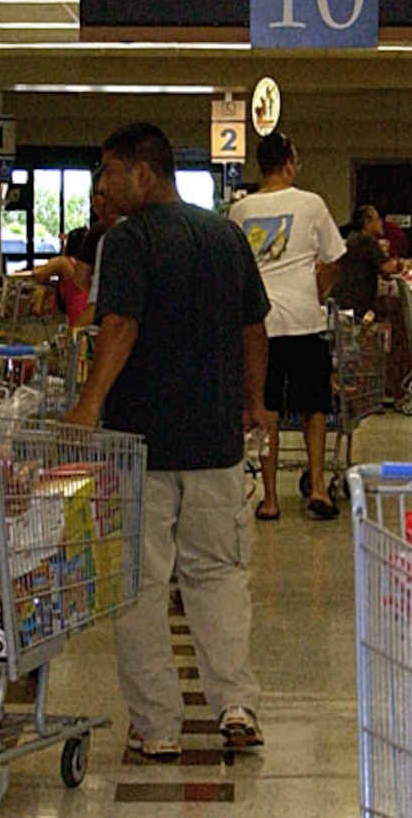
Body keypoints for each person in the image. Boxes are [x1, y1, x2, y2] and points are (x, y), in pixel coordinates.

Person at [63, 121, 268, 759]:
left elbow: (120, 323)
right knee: (219, 575)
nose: (103, 185)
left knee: (140, 585)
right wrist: (253, 402)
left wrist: (87, 405)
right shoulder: (226, 235)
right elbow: (254, 327)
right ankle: (234, 704)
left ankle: (157, 727)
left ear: (142, 174)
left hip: (141, 445)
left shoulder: (127, 241)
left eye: (108, 172)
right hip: (215, 444)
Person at [227, 132, 347, 520]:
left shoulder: (240, 211)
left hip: (257, 325)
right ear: (291, 163)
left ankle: (270, 498)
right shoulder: (311, 203)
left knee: (266, 409)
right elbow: (333, 257)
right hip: (304, 319)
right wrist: (316, 288)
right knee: (314, 406)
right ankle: (316, 488)